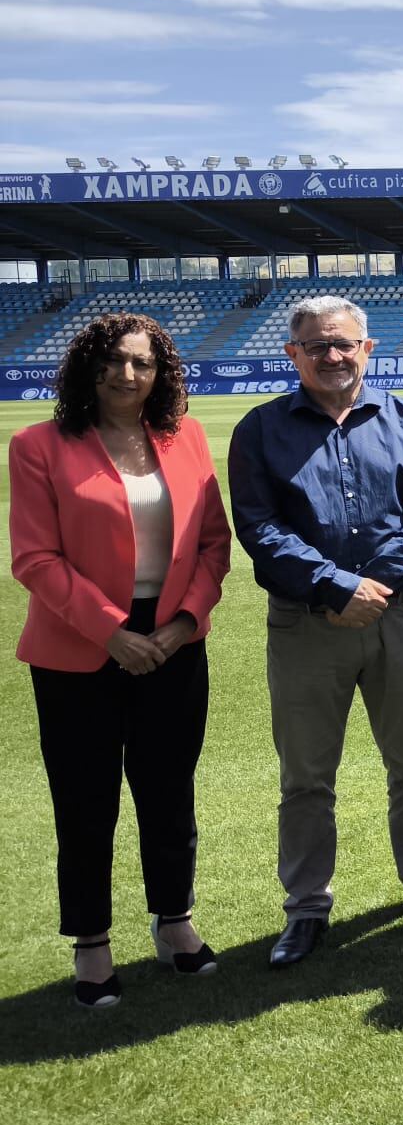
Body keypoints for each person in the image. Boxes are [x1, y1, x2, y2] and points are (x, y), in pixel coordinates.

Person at [228, 295, 403, 968]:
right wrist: (335, 587)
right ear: (293, 355)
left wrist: (372, 586)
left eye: (344, 344)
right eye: (317, 345)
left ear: (367, 349)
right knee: (306, 775)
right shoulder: (261, 428)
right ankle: (306, 907)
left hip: (400, 617)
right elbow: (260, 527)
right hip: (306, 625)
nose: (332, 355)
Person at [10, 314, 231, 1008]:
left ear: (160, 373)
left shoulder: (186, 437)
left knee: (169, 792)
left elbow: (213, 544)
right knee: (85, 803)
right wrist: (112, 633)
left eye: (141, 363)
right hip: (78, 650)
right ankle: (92, 942)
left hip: (174, 642)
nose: (126, 374)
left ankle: (175, 922)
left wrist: (183, 623)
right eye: (112, 361)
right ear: (87, 368)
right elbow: (35, 559)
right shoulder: (38, 446)